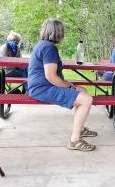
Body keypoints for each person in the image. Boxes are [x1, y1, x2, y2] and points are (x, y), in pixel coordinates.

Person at [28, 18, 96, 152]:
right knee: (87, 100)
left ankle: (80, 129)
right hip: (43, 89)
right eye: (62, 31)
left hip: (41, 87)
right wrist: (69, 86)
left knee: (83, 91)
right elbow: (51, 76)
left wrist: (72, 86)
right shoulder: (49, 48)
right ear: (57, 32)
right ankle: (75, 141)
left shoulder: (42, 44)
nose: (63, 33)